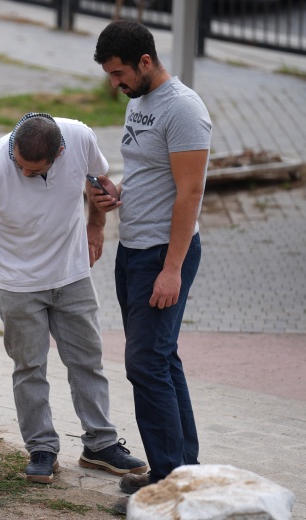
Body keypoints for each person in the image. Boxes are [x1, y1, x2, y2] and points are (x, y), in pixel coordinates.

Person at [0, 112, 147, 484]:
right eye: (19, 166)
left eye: (33, 171)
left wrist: (96, 225)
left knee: (87, 360)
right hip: (17, 282)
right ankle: (42, 449)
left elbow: (98, 181)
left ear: (58, 154)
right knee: (30, 367)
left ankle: (99, 445)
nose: (23, 174)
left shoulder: (80, 138)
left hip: (71, 274)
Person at [90, 20, 213, 514]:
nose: (114, 85)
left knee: (145, 363)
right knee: (162, 359)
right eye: (109, 76)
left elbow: (191, 191)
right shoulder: (140, 103)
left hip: (164, 255)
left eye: (119, 73)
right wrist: (119, 192)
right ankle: (183, 470)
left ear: (145, 62)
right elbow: (149, 169)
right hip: (133, 250)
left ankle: (167, 488)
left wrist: (172, 268)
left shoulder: (183, 110)